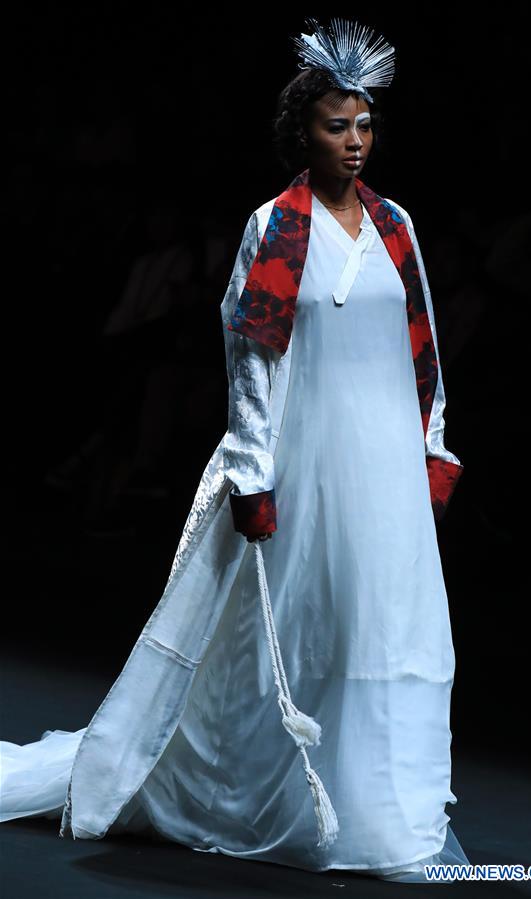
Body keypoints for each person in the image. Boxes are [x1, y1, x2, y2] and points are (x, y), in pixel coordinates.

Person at [0, 17, 470, 885]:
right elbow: (252, 355)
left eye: (365, 125)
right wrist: (254, 472)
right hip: (309, 462)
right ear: (305, 133)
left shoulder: (395, 225)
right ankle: (260, 792)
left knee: (389, 625)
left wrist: (433, 443)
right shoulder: (278, 228)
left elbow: (423, 342)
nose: (356, 142)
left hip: (386, 468)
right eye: (338, 126)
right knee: (300, 627)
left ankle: (383, 810)